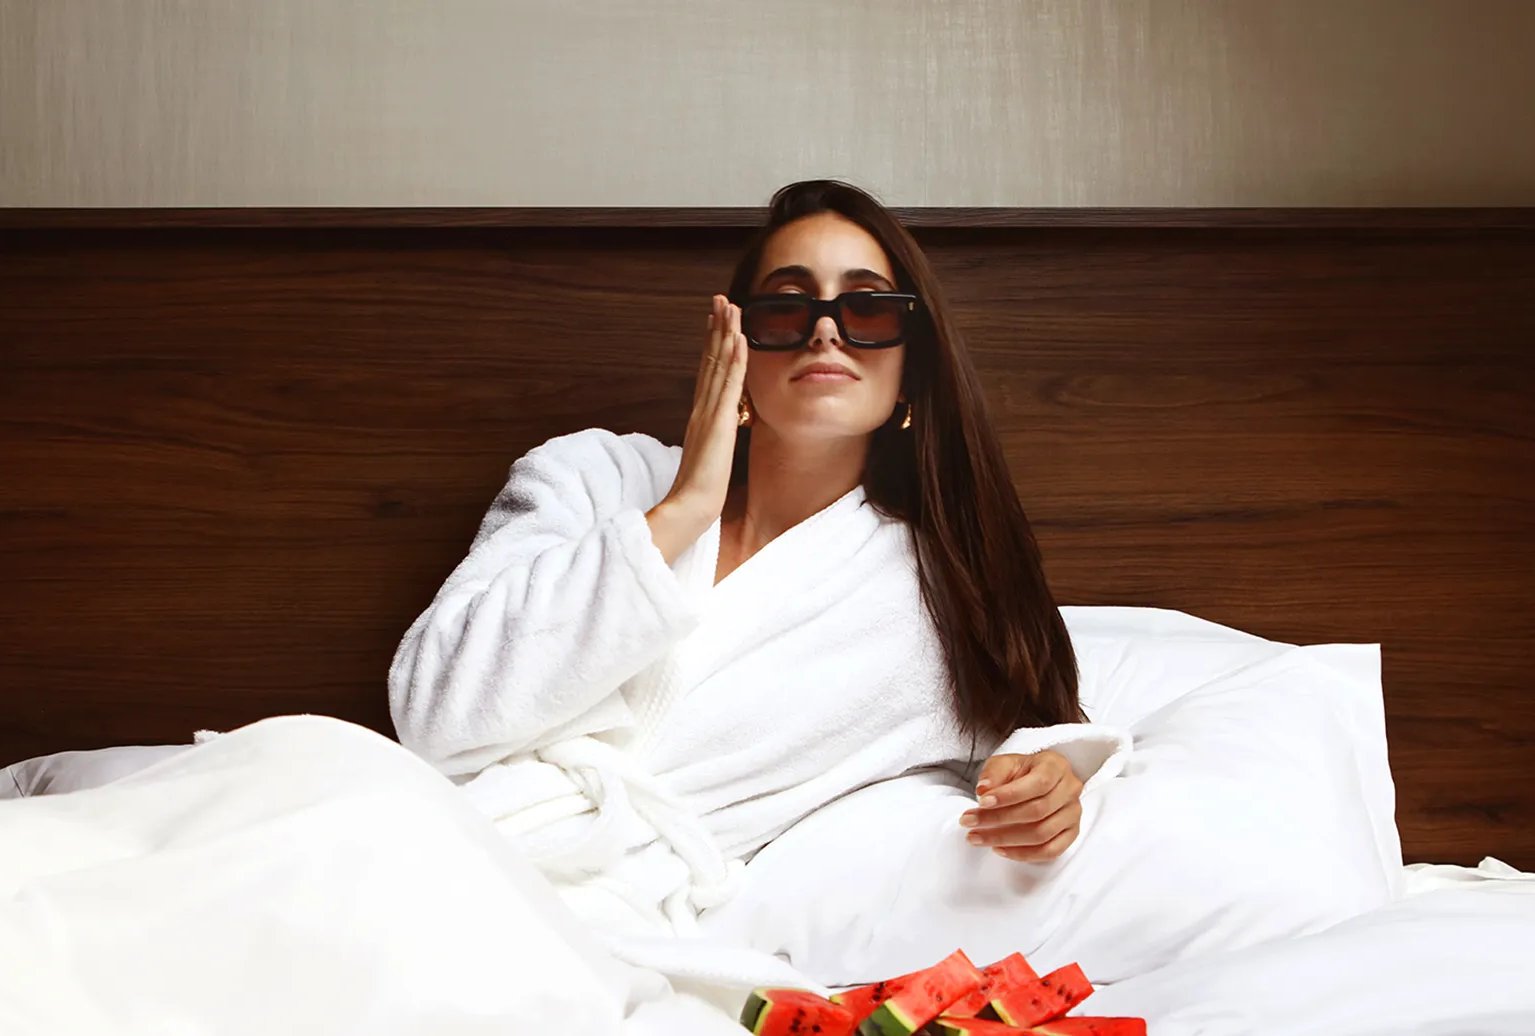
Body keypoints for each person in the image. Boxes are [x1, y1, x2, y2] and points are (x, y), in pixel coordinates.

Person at [390, 180, 1098, 947]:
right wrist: (685, 507)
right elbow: (434, 716)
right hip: (428, 839)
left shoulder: (938, 593)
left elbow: (1024, 739)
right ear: (734, 345)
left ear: (911, 372)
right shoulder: (593, 478)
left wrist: (1053, 774)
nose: (825, 333)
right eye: (786, 307)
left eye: (866, 309)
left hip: (611, 927)